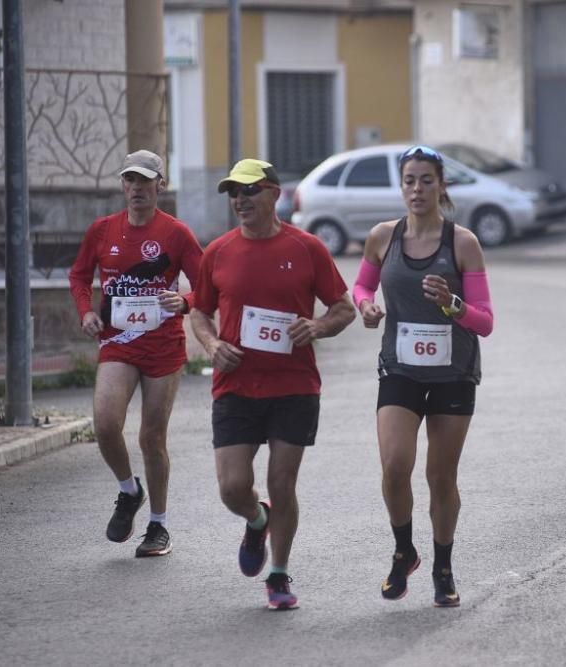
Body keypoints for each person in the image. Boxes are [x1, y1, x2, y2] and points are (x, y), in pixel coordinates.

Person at [189, 158, 355, 611]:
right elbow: (199, 311)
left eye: (249, 191)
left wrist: (316, 327)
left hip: (293, 384)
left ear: (274, 194)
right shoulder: (218, 252)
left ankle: (279, 573)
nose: (239, 200)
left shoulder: (307, 248)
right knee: (231, 487)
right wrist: (211, 344)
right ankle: (256, 518)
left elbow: (343, 308)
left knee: (282, 483)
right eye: (233, 193)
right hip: (236, 384)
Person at [352, 145, 494, 607]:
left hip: (453, 373)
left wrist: (451, 304)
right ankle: (403, 549)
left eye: (426, 180)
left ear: (441, 185)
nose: (417, 189)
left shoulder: (463, 243)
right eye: (409, 180)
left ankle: (443, 566)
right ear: (401, 186)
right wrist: (366, 306)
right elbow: (361, 285)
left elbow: (485, 321)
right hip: (401, 368)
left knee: (440, 475)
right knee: (395, 466)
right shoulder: (382, 237)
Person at [69, 149, 203, 557]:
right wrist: (86, 311)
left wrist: (186, 300)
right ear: (123, 185)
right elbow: (78, 275)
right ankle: (129, 490)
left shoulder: (176, 234)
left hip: (163, 348)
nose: (137, 188)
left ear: (160, 185)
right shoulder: (103, 230)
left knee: (151, 437)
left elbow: (208, 285)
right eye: (131, 180)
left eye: (146, 181)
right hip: (117, 343)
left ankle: (158, 526)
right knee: (106, 425)